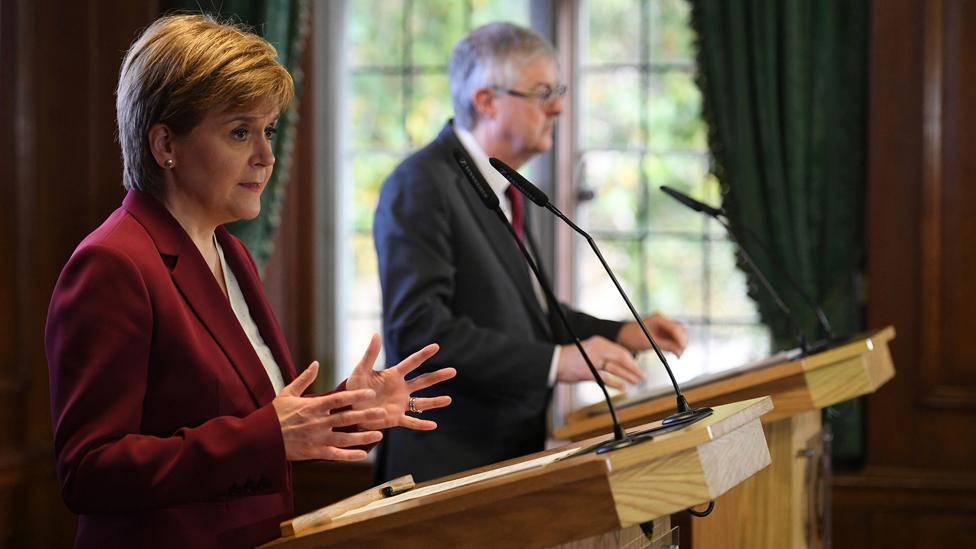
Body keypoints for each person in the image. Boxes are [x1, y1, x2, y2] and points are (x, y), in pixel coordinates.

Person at [44, 15, 456, 548]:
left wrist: (345, 407)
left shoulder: (230, 252)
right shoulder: (113, 264)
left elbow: (259, 424)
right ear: (165, 142)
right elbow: (88, 470)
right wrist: (268, 436)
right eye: (240, 131)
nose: (265, 157)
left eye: (268, 131)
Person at [373, 22, 688, 484]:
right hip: (445, 466)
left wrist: (623, 333)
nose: (558, 107)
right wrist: (557, 363)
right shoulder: (421, 183)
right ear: (486, 101)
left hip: (504, 458)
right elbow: (421, 331)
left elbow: (528, 313)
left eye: (557, 91)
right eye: (543, 92)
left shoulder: (505, 185)